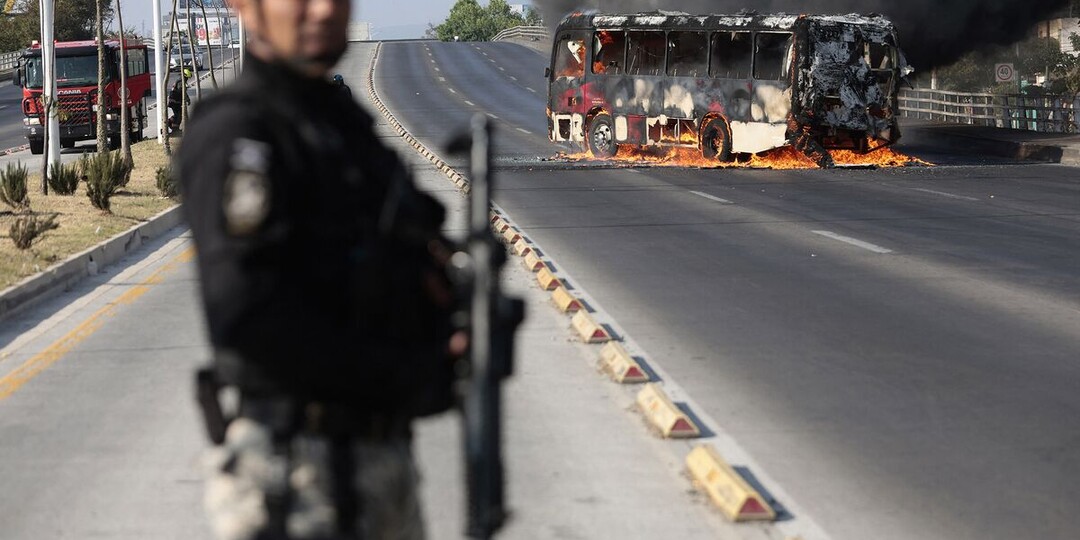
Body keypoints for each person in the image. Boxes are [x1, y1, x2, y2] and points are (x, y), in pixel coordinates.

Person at [175, 0, 458, 538]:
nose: (324, 8)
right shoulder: (242, 131)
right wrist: (401, 372)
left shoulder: (344, 130)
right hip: (297, 475)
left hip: (377, 465)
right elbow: (249, 319)